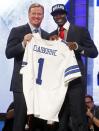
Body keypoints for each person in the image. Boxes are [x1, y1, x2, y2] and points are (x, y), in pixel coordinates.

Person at [49, 4, 98, 131]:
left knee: (78, 118)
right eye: (55, 14)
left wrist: (77, 47)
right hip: (58, 84)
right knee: (61, 119)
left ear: (66, 14)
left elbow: (93, 52)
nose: (58, 16)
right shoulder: (51, 35)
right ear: (53, 17)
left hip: (76, 81)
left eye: (61, 13)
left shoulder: (80, 31)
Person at [5, 3, 49, 131]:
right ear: (29, 15)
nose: (36, 16)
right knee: (20, 120)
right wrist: (23, 43)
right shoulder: (17, 31)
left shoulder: (47, 35)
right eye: (34, 13)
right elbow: (9, 53)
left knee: (39, 122)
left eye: (39, 14)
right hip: (21, 84)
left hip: (39, 86)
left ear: (43, 16)